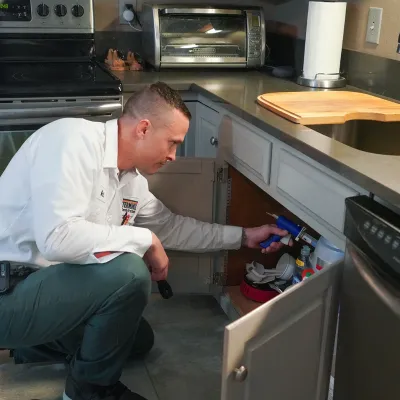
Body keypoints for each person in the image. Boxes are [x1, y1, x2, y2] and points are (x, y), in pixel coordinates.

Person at [0, 82, 290, 400]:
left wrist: (245, 236)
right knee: (129, 272)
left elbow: (172, 227)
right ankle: (89, 391)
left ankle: (31, 346)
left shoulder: (131, 182)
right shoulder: (71, 141)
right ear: (143, 129)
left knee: (137, 339)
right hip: (9, 290)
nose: (173, 156)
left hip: (44, 290)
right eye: (172, 143)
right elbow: (58, 238)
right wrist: (144, 239)